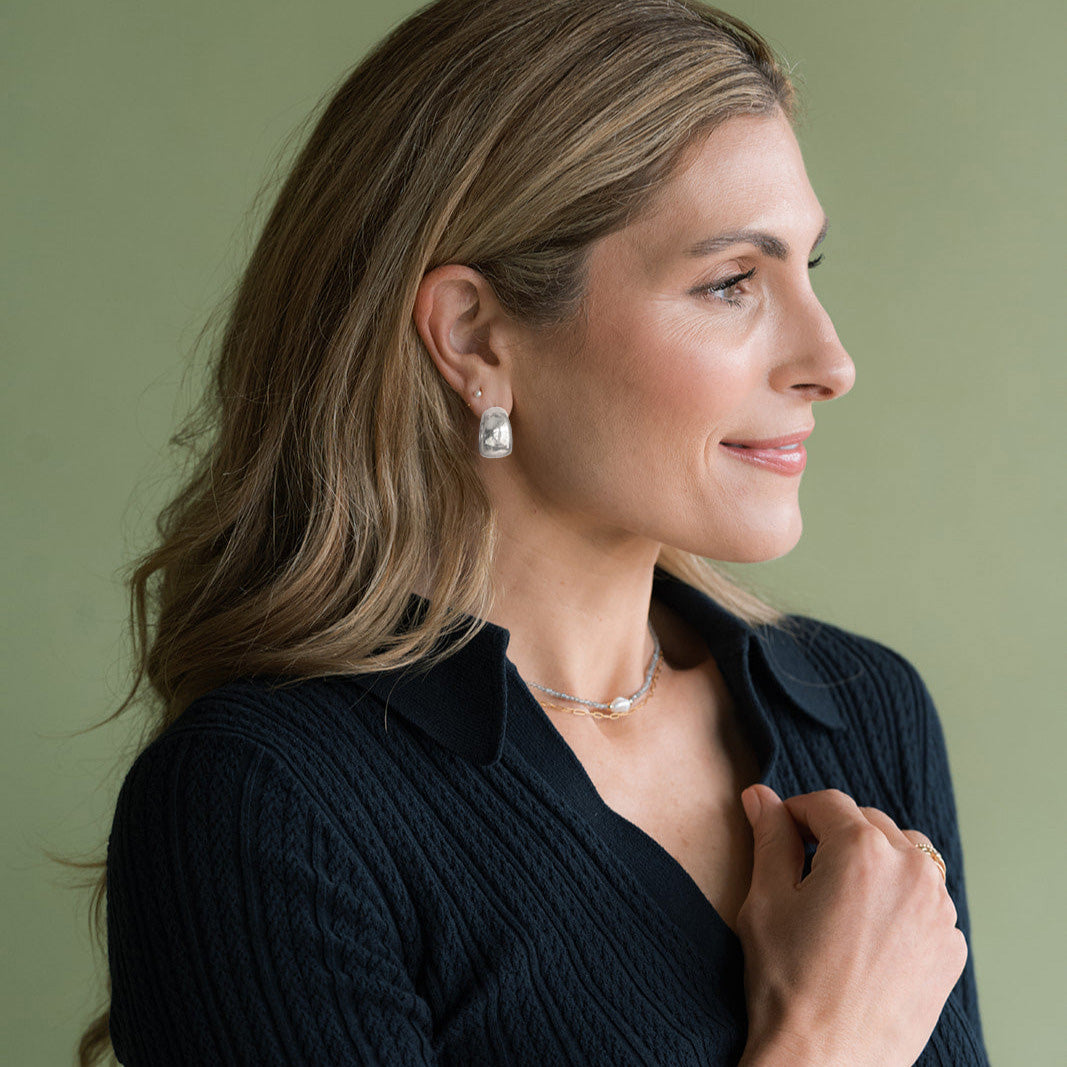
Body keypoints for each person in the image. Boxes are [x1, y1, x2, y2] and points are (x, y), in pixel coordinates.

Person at [76, 1, 989, 1064]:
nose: (828, 361)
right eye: (731, 281)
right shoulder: (263, 806)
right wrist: (825, 1042)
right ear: (473, 335)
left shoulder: (861, 709)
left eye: (804, 269)